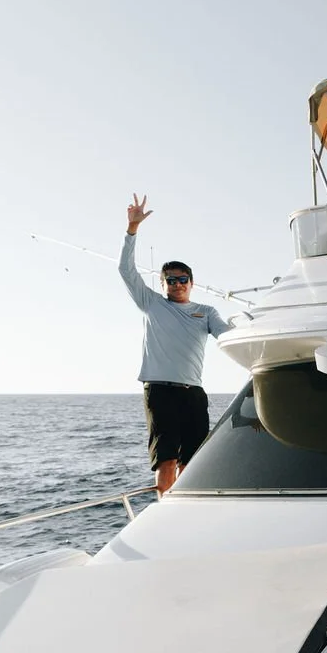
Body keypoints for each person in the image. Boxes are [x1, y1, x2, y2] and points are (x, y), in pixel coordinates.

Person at [121, 194, 228, 495]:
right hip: (160, 391)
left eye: (183, 279)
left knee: (193, 462)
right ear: (163, 284)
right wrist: (132, 230)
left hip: (193, 393)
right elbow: (126, 272)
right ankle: (163, 516)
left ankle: (188, 513)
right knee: (166, 459)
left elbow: (226, 334)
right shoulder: (152, 304)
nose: (177, 284)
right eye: (171, 280)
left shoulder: (206, 312)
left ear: (192, 283)